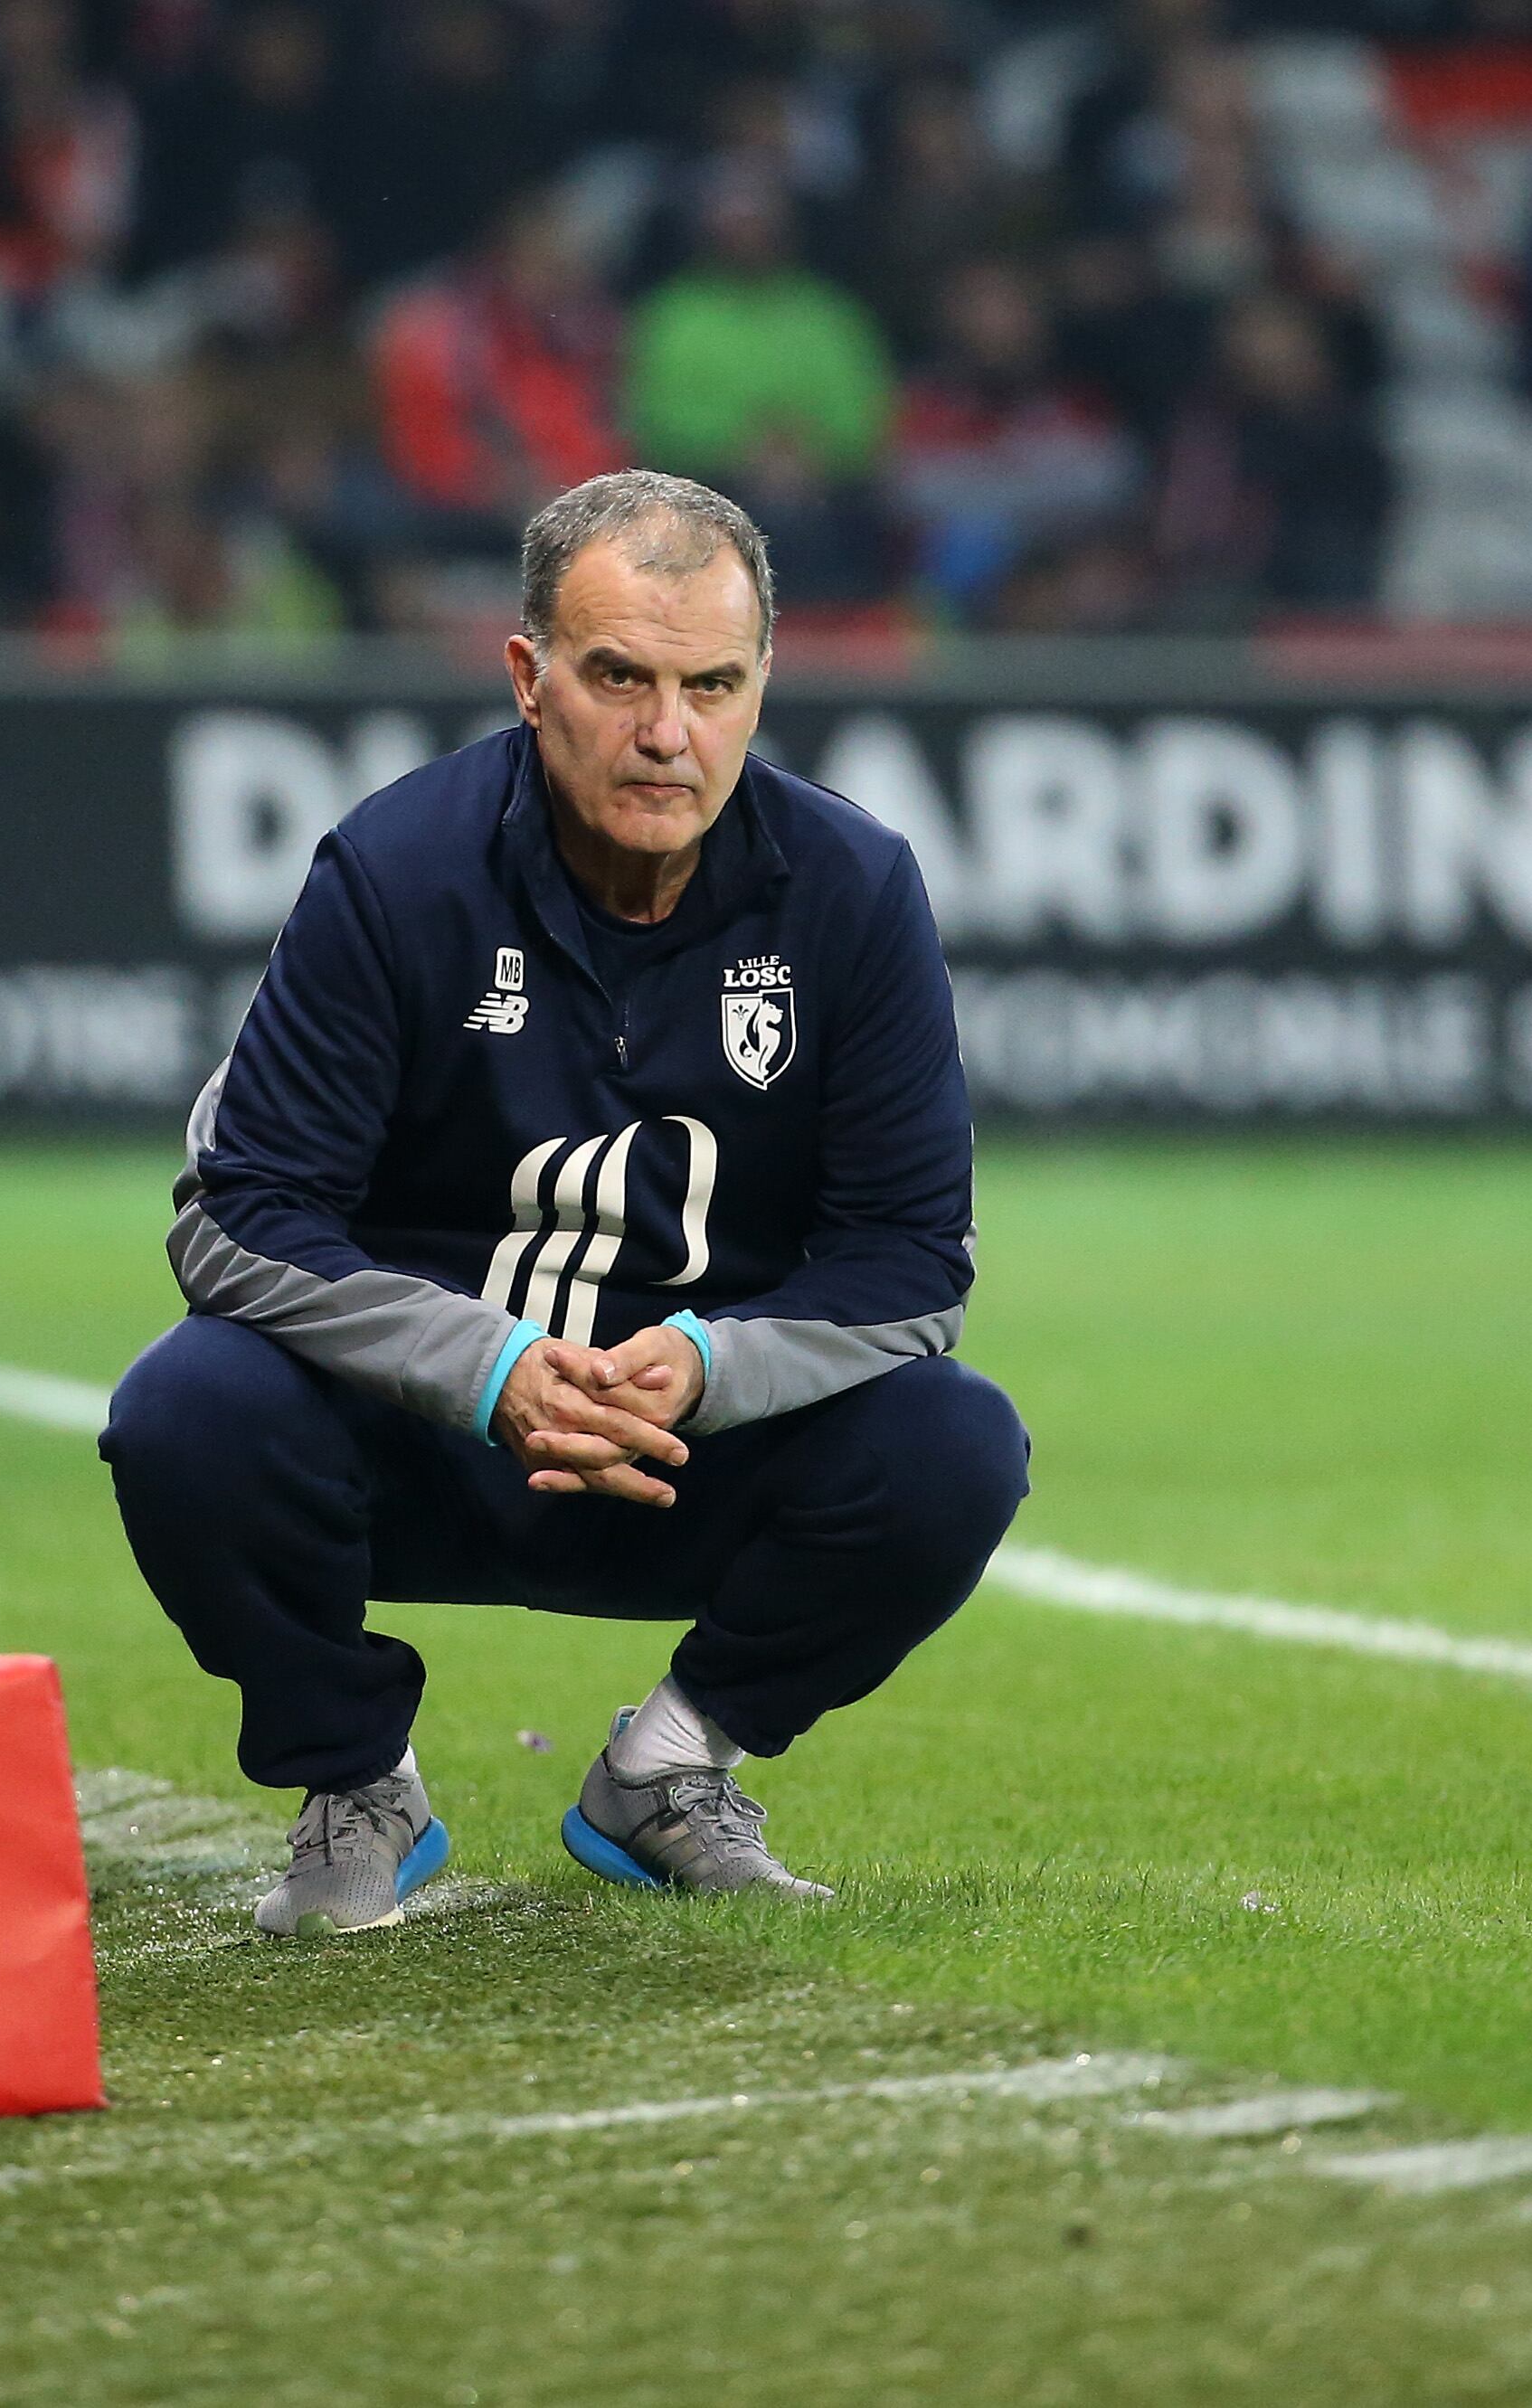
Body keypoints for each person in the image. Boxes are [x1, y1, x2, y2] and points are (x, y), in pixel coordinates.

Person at [99, 468, 1028, 1938]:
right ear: (530, 678)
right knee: (187, 1411)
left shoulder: (853, 891)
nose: (671, 733)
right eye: (623, 679)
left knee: (957, 1444)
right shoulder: (395, 874)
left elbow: (912, 1263)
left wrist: (714, 1363)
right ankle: (356, 1782)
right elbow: (235, 1215)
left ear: (763, 685)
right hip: (419, 1445)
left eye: (714, 685)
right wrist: (490, 1369)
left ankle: (670, 1771)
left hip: (688, 1453)